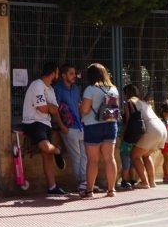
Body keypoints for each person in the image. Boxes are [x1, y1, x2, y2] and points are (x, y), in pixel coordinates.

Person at [22, 61, 68, 195]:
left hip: (46, 124)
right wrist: (49, 107)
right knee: (46, 147)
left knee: (47, 156)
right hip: (33, 122)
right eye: (58, 72)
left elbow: (55, 109)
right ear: (53, 73)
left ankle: (52, 187)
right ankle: (58, 151)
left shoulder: (51, 90)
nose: (58, 75)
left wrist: (49, 108)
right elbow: (42, 109)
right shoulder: (37, 85)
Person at [78, 62, 120, 197]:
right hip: (110, 124)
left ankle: (89, 191)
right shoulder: (113, 89)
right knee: (110, 158)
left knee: (92, 160)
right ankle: (111, 189)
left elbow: (84, 109)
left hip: (92, 125)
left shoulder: (90, 89)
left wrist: (80, 108)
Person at [123, 84, 167, 188]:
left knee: (135, 156)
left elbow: (129, 120)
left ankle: (144, 182)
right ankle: (152, 182)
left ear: (126, 93)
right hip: (161, 128)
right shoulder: (143, 103)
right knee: (146, 155)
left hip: (151, 129)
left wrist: (124, 134)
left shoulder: (129, 102)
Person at [52, 63, 87, 194]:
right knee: (76, 156)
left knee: (84, 155)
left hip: (80, 125)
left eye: (74, 73)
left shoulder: (76, 89)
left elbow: (79, 106)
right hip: (68, 127)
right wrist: (62, 127)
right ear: (63, 75)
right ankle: (81, 182)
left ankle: (84, 181)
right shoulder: (58, 89)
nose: (74, 76)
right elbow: (55, 110)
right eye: (71, 73)